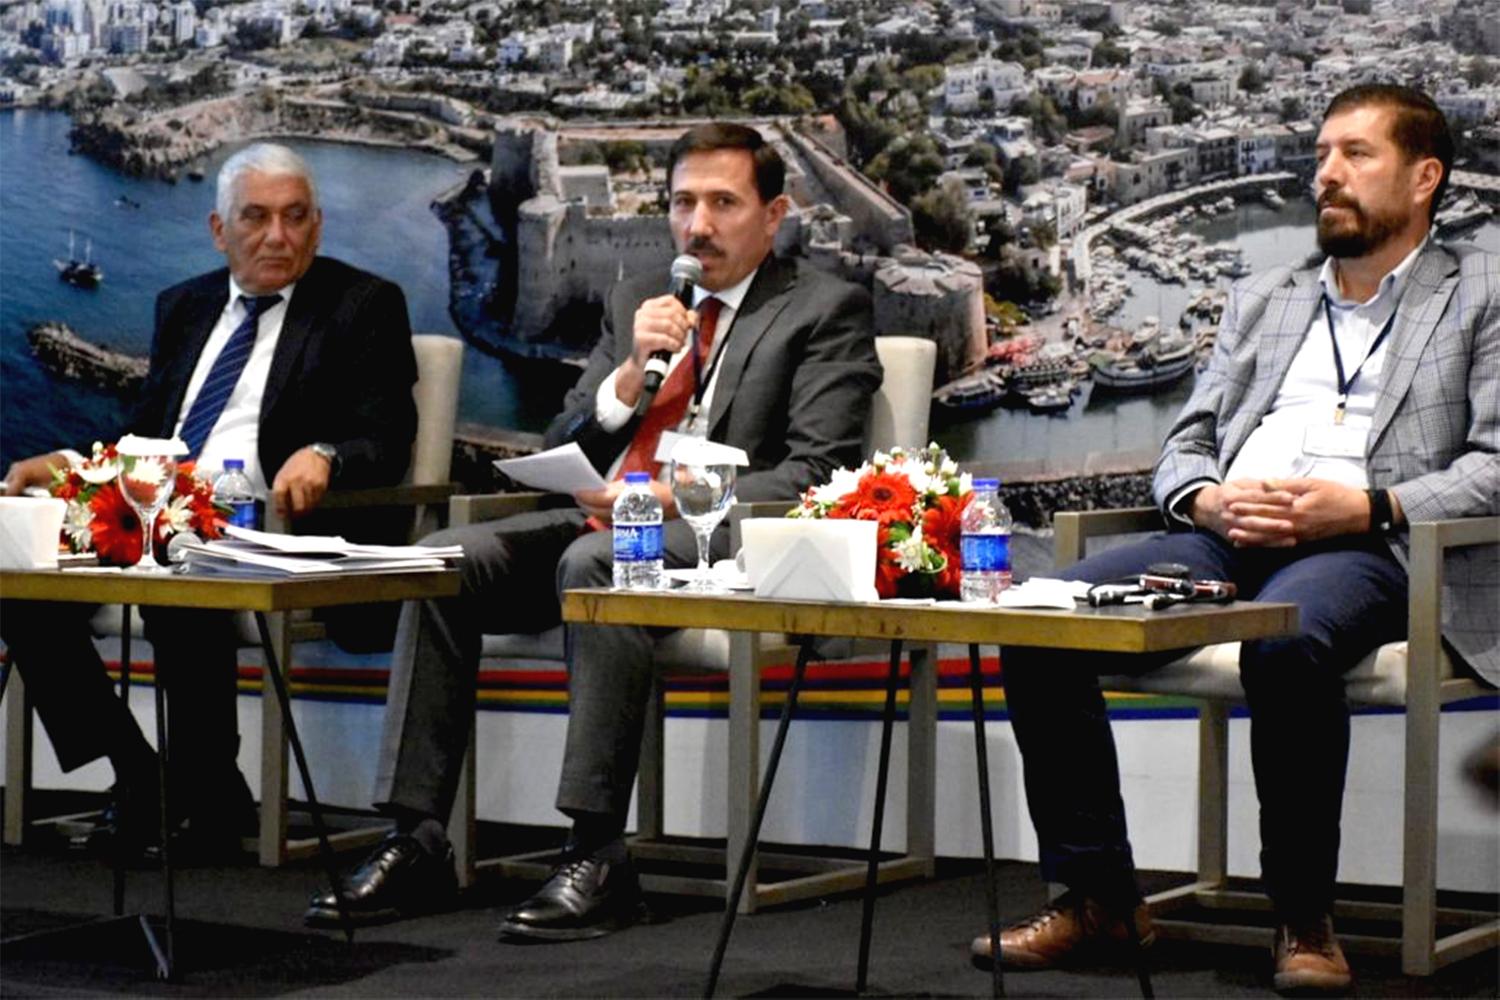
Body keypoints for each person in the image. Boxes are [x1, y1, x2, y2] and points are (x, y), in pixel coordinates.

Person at [969, 84, 1497, 995]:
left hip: (1376, 547)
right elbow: (1186, 442)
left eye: (1356, 154)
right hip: (1227, 534)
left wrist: (1367, 506)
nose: (1326, 174)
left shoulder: (1481, 292)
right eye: (1322, 154)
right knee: (1041, 621)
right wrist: (1207, 498)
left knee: (1284, 638)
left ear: (1424, 179)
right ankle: (1100, 898)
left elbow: (1494, 463)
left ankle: (1303, 917)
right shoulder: (1266, 296)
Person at [305, 122, 882, 936]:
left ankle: (597, 851)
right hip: (602, 520)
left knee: (598, 560)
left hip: (720, 538)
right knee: (443, 558)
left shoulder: (824, 308)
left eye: (723, 204)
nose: (697, 226)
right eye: (683, 203)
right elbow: (562, 440)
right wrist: (626, 379)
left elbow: (816, 475)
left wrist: (670, 499)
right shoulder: (639, 298)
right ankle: (417, 838)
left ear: (774, 214)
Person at [1, 143, 418, 856]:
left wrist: (326, 454)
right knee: (17, 577)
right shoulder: (185, 306)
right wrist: (69, 465)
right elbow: (144, 437)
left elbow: (386, 436)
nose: (277, 236)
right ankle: (140, 771)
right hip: (161, 510)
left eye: (295, 217)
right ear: (220, 230)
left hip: (269, 525)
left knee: (182, 565)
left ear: (317, 226)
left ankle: (204, 786)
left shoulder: (364, 306)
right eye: (256, 218)